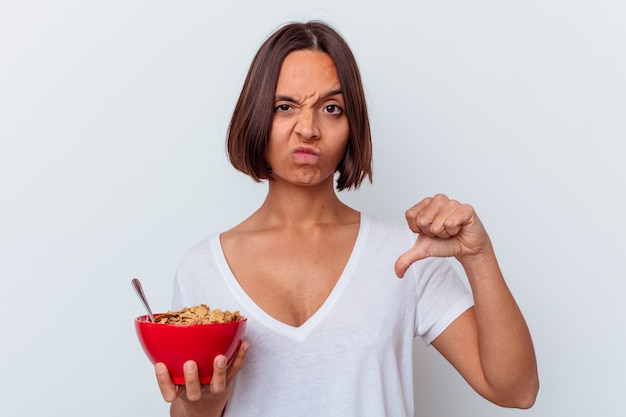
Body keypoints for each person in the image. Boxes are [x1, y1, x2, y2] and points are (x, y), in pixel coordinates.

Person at [154, 21, 539, 417]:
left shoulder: (406, 256)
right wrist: (206, 405)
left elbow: (516, 390)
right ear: (256, 116)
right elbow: (191, 409)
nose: (308, 129)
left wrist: (479, 257)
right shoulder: (203, 268)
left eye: (331, 108)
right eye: (285, 107)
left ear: (352, 125)